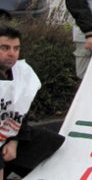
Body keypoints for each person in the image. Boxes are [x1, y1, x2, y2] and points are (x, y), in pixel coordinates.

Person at [0, 26, 65, 178]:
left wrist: (15, 141)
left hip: (7, 134)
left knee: (49, 141)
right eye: (5, 48)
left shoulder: (21, 73)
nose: (12, 53)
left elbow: (20, 111)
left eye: (16, 48)